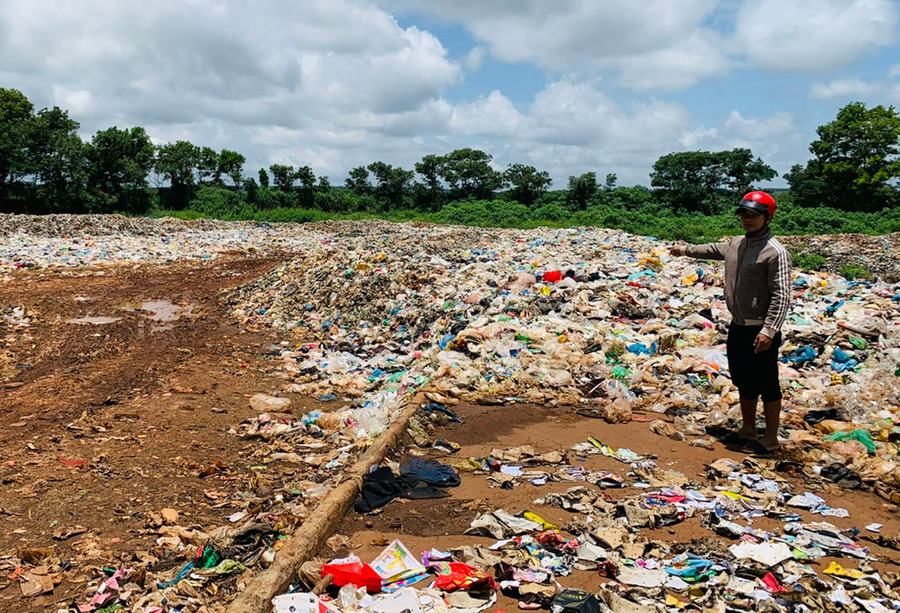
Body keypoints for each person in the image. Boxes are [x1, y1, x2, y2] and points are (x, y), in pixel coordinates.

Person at [670, 191, 792, 455]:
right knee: (743, 379)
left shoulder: (775, 252)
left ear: (768, 217)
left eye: (754, 215)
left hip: (761, 328)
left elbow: (782, 295)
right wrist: (683, 250)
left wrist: (769, 330)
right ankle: (748, 429)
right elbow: (712, 249)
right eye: (744, 215)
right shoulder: (737, 244)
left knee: (768, 383)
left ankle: (770, 438)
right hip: (738, 325)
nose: (747, 220)